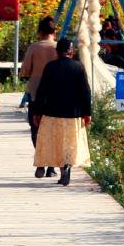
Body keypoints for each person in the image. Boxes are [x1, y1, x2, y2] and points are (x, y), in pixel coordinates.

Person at [31, 36, 93, 186]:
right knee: (69, 144)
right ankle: (66, 167)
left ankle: (43, 164)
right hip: (73, 114)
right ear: (71, 52)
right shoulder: (78, 67)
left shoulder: (50, 67)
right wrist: (87, 112)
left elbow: (42, 91)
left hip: (52, 112)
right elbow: (85, 92)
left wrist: (37, 112)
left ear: (57, 52)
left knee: (52, 142)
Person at [18, 15, 60, 174]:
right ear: (54, 31)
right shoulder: (59, 47)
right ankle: (51, 166)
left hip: (36, 93)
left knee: (36, 129)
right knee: (53, 130)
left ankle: (41, 163)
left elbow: (25, 70)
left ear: (39, 31)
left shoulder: (34, 48)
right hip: (56, 94)